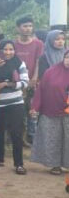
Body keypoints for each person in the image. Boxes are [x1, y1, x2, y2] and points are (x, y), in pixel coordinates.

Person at [30, 49, 69, 182]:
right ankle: (55, 165)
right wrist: (35, 106)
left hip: (68, 114)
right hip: (50, 112)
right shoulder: (51, 72)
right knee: (53, 139)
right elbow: (41, 89)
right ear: (63, 57)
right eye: (67, 57)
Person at [0, 40, 28, 174]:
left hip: (16, 103)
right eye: (5, 49)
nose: (8, 52)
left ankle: (19, 164)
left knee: (16, 133)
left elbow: (25, 82)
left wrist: (6, 84)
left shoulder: (19, 63)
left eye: (11, 49)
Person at [14, 16, 45, 144]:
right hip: (17, 83)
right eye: (25, 26)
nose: (28, 29)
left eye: (30, 26)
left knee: (32, 110)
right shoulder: (13, 44)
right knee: (18, 110)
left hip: (33, 82)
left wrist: (35, 78)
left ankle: (32, 137)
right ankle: (17, 137)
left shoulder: (38, 44)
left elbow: (38, 61)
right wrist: (18, 82)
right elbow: (12, 63)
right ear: (18, 28)